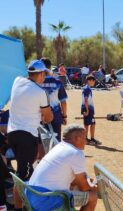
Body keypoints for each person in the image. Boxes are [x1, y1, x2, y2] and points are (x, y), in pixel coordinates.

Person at [7, 60, 53, 210]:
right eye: (45, 74)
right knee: (23, 176)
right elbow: (48, 117)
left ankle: (24, 206)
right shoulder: (40, 92)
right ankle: (19, 209)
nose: (45, 77)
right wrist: (45, 113)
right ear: (40, 74)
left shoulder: (17, 81)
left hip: (12, 134)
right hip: (27, 137)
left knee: (27, 171)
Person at [29, 124, 98, 211]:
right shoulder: (76, 153)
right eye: (85, 138)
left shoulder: (59, 147)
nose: (86, 142)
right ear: (77, 138)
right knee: (92, 197)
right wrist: (95, 188)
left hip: (32, 194)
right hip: (44, 199)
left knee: (74, 187)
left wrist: (86, 182)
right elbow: (84, 187)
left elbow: (73, 181)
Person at [41, 58, 68, 141]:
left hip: (40, 116)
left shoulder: (36, 82)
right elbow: (63, 102)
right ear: (50, 67)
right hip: (56, 116)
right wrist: (64, 116)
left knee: (42, 142)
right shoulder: (57, 82)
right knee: (56, 142)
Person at [81, 75, 101, 145]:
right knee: (88, 124)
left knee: (92, 123)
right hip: (87, 109)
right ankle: (86, 139)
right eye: (93, 81)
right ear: (89, 81)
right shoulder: (87, 89)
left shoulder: (87, 88)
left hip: (89, 109)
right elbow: (86, 100)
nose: (94, 82)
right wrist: (87, 111)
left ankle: (91, 139)